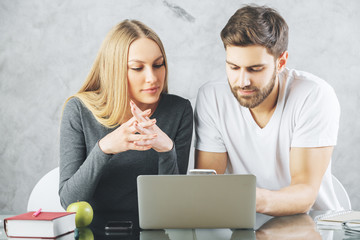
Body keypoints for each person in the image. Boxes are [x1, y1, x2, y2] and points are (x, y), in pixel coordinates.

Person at [194, 5, 343, 216]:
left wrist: (245, 198)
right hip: (242, 225)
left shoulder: (313, 95)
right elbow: (206, 185)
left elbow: (304, 195)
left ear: (281, 62)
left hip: (313, 225)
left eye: (255, 69)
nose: (242, 81)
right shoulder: (212, 97)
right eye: (234, 67)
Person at [59, 20, 193, 217]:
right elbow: (69, 201)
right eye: (138, 68)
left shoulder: (179, 110)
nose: (152, 78)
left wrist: (167, 149)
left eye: (158, 65)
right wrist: (104, 149)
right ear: (114, 69)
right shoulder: (79, 110)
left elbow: (172, 207)